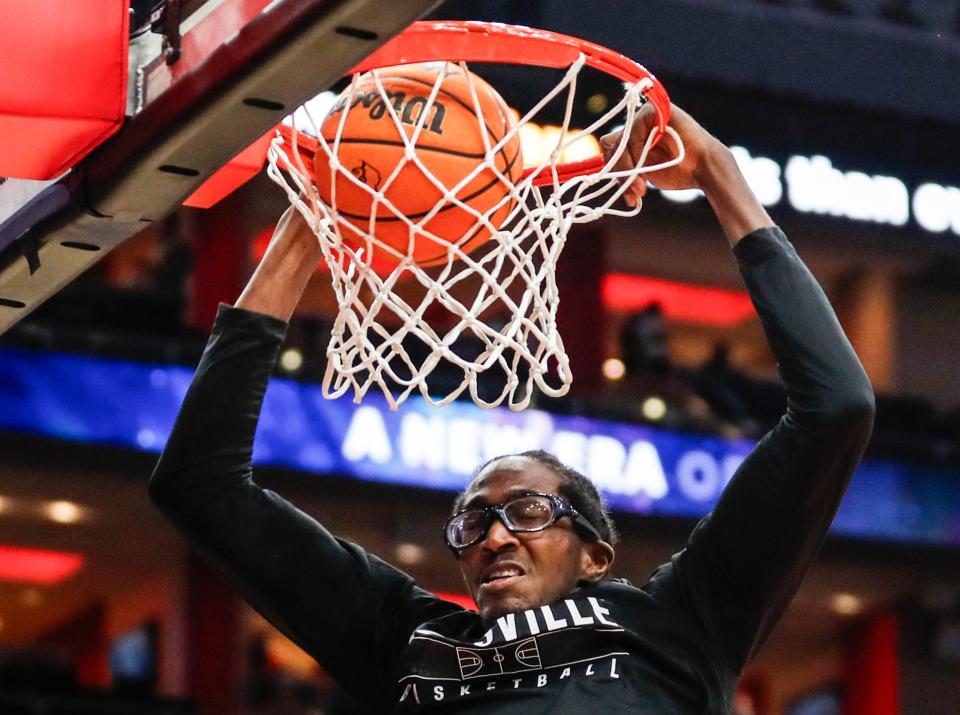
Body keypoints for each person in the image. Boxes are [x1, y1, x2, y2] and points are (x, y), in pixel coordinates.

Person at [149, 103, 875, 713]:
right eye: (472, 521)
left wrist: (719, 174)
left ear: (596, 554)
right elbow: (198, 483)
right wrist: (305, 232)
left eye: (528, 512)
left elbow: (835, 405)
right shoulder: (408, 636)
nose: (493, 535)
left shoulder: (678, 619)